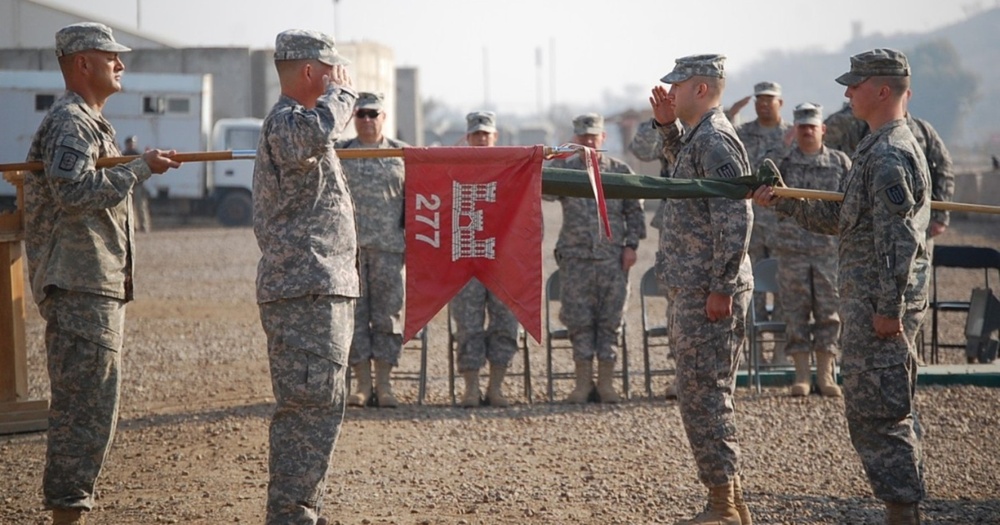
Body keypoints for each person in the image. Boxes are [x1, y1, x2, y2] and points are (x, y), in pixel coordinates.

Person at [753, 48, 931, 525]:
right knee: (876, 412)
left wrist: (889, 308)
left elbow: (900, 239)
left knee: (882, 415)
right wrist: (784, 203)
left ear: (881, 90)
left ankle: (905, 514)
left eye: (854, 85)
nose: (847, 93)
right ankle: (903, 508)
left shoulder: (891, 153)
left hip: (880, 310)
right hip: (870, 304)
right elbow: (847, 220)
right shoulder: (873, 148)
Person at [23, 22, 180, 525]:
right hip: (78, 282)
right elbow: (73, 193)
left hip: (92, 281)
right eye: (109, 57)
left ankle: (71, 512)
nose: (121, 64)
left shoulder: (90, 121)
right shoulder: (71, 120)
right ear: (81, 63)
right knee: (83, 414)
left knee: (95, 408)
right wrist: (139, 168)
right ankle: (67, 516)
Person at [252, 28, 357, 524]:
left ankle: (299, 512)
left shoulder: (300, 124)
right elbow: (315, 133)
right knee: (307, 414)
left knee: (318, 411)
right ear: (312, 72)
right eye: (333, 72)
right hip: (305, 290)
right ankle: (292, 516)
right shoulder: (289, 123)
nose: (340, 79)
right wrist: (344, 96)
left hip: (317, 289)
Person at [648, 54, 754, 525]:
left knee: (704, 396)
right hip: (693, 287)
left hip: (707, 291)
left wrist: (722, 286)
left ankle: (722, 507)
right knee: (703, 395)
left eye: (679, 85)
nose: (670, 91)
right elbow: (684, 175)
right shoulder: (697, 137)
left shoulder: (715, 140)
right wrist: (667, 128)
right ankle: (729, 501)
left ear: (703, 89)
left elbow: (736, 215)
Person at [545, 113, 645, 404]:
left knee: (610, 320)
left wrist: (631, 245)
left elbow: (634, 212)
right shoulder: (565, 171)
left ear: (603, 138)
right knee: (578, 320)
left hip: (612, 260)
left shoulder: (618, 170)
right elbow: (542, 189)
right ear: (575, 140)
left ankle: (606, 384)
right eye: (582, 136)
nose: (588, 141)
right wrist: (555, 158)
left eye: (593, 136)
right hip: (575, 259)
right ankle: (582, 384)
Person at [335, 92, 410, 408]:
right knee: (355, 317)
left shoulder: (403, 155)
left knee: (387, 318)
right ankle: (362, 384)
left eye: (373, 114)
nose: (367, 120)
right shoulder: (339, 153)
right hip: (349, 253)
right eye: (361, 114)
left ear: (384, 117)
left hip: (389, 251)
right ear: (353, 117)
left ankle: (385, 382)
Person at [771, 103, 850, 398]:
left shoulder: (840, 163)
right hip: (792, 250)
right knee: (796, 312)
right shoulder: (784, 164)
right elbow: (769, 195)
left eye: (811, 126)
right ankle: (802, 374)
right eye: (801, 126)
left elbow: (851, 205)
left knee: (829, 313)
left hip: (828, 251)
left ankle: (826, 374)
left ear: (822, 130)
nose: (806, 131)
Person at [446, 111, 520, 408]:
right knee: (468, 324)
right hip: (465, 259)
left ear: (495, 137)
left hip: (503, 261)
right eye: (476, 134)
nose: (480, 139)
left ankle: (496, 387)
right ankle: (471, 387)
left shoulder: (513, 169)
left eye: (485, 134)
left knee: (505, 322)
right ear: (467, 137)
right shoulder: (452, 168)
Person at [737, 82, 792, 359]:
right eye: (759, 99)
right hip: (754, 226)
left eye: (769, 100)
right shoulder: (743, 132)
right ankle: (756, 353)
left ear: (779, 103)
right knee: (753, 287)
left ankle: (781, 351)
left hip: (783, 224)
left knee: (783, 284)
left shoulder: (791, 135)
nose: (763, 104)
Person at [123, 135, 153, 233]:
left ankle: (144, 226)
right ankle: (133, 226)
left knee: (141, 206)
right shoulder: (123, 155)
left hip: (138, 184)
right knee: (129, 207)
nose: (131, 145)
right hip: (128, 184)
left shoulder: (139, 155)